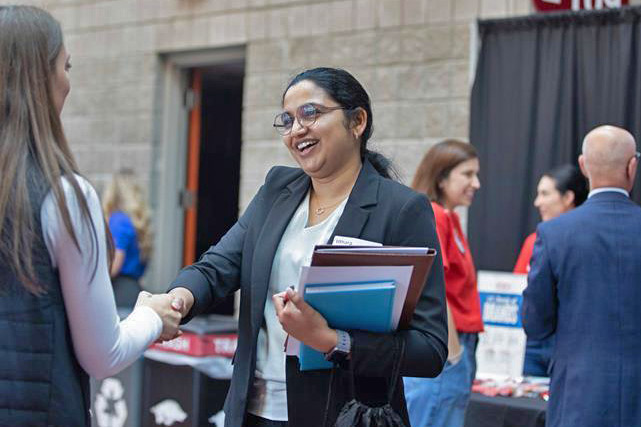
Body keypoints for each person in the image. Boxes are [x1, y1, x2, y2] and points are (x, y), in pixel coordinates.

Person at [166, 67, 448, 427]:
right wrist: (178, 298)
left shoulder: (401, 209)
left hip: (341, 415)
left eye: (310, 113)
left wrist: (332, 340)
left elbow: (430, 349)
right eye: (287, 120)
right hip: (252, 411)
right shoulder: (275, 191)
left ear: (357, 121)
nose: (297, 129)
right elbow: (217, 265)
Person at [0, 6, 181, 426]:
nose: (68, 81)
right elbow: (103, 354)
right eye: (65, 66)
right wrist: (152, 316)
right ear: (39, 79)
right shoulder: (64, 196)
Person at [523, 125, 641, 427]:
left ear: (584, 166)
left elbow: (535, 322)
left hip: (578, 394)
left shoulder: (554, 233)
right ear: (632, 166)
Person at [403, 139, 483, 427]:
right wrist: (453, 354)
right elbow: (434, 289)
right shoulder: (434, 216)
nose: (476, 183)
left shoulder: (450, 219)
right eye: (468, 174)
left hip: (456, 345)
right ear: (441, 177)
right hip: (445, 349)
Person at [513, 164, 587, 377]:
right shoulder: (533, 241)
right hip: (532, 344)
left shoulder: (586, 241)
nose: (538, 202)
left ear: (568, 197)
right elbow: (518, 287)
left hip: (571, 344)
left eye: (545, 194)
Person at [103, 169, 153, 307]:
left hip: (118, 293)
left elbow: (114, 267)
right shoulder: (137, 222)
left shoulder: (118, 221)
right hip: (134, 290)